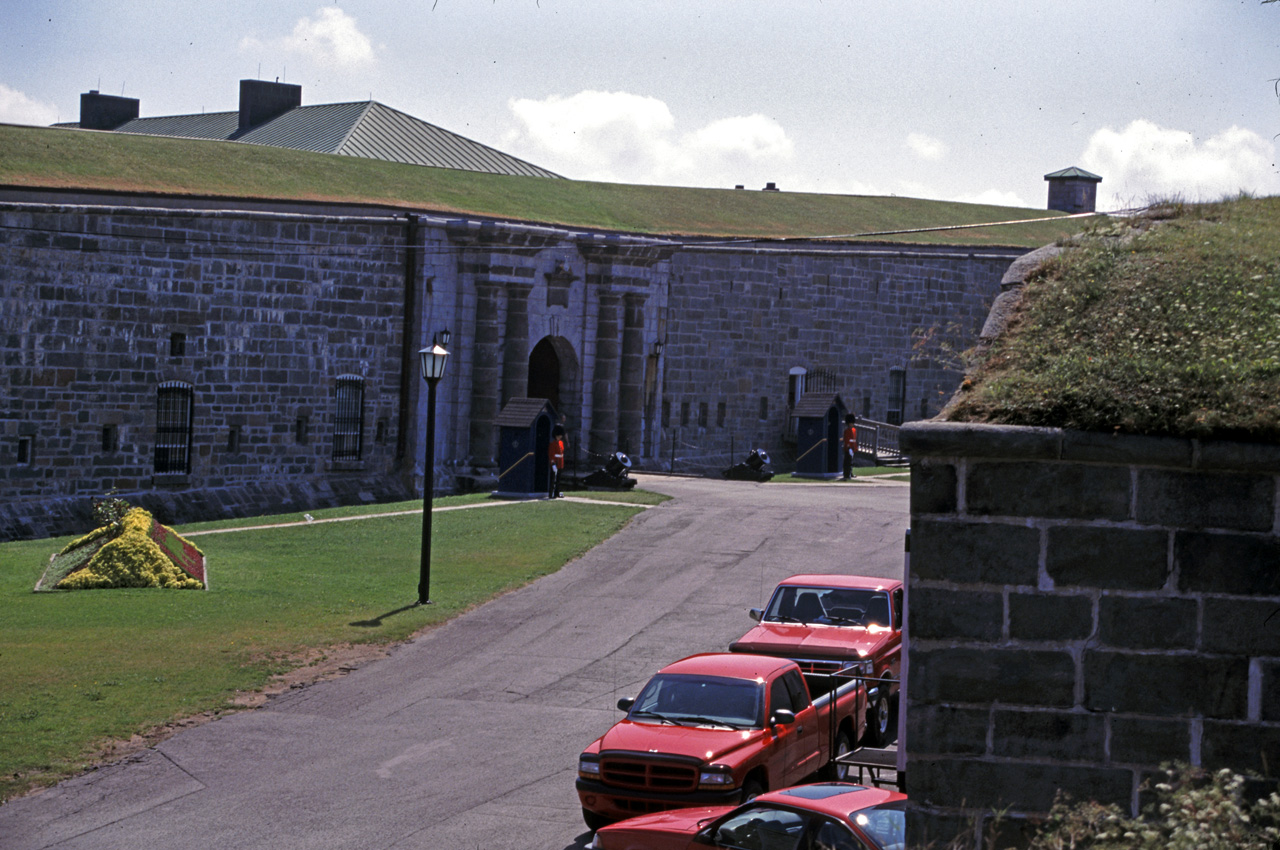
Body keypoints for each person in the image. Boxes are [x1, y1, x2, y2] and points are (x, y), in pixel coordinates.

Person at [547, 424, 567, 498]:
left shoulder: (561, 443)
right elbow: (551, 454)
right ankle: (551, 493)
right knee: (553, 479)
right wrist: (553, 464)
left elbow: (561, 453)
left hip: (560, 462)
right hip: (555, 463)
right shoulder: (552, 444)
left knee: (558, 479)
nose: (560, 436)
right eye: (559, 435)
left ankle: (556, 493)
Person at [842, 413, 858, 480]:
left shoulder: (854, 430)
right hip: (848, 448)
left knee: (851, 462)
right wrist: (849, 448)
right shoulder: (846, 431)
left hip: (853, 448)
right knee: (847, 462)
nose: (852, 424)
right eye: (851, 423)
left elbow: (854, 439)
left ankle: (850, 473)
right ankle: (846, 475)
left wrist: (854, 447)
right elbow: (846, 440)